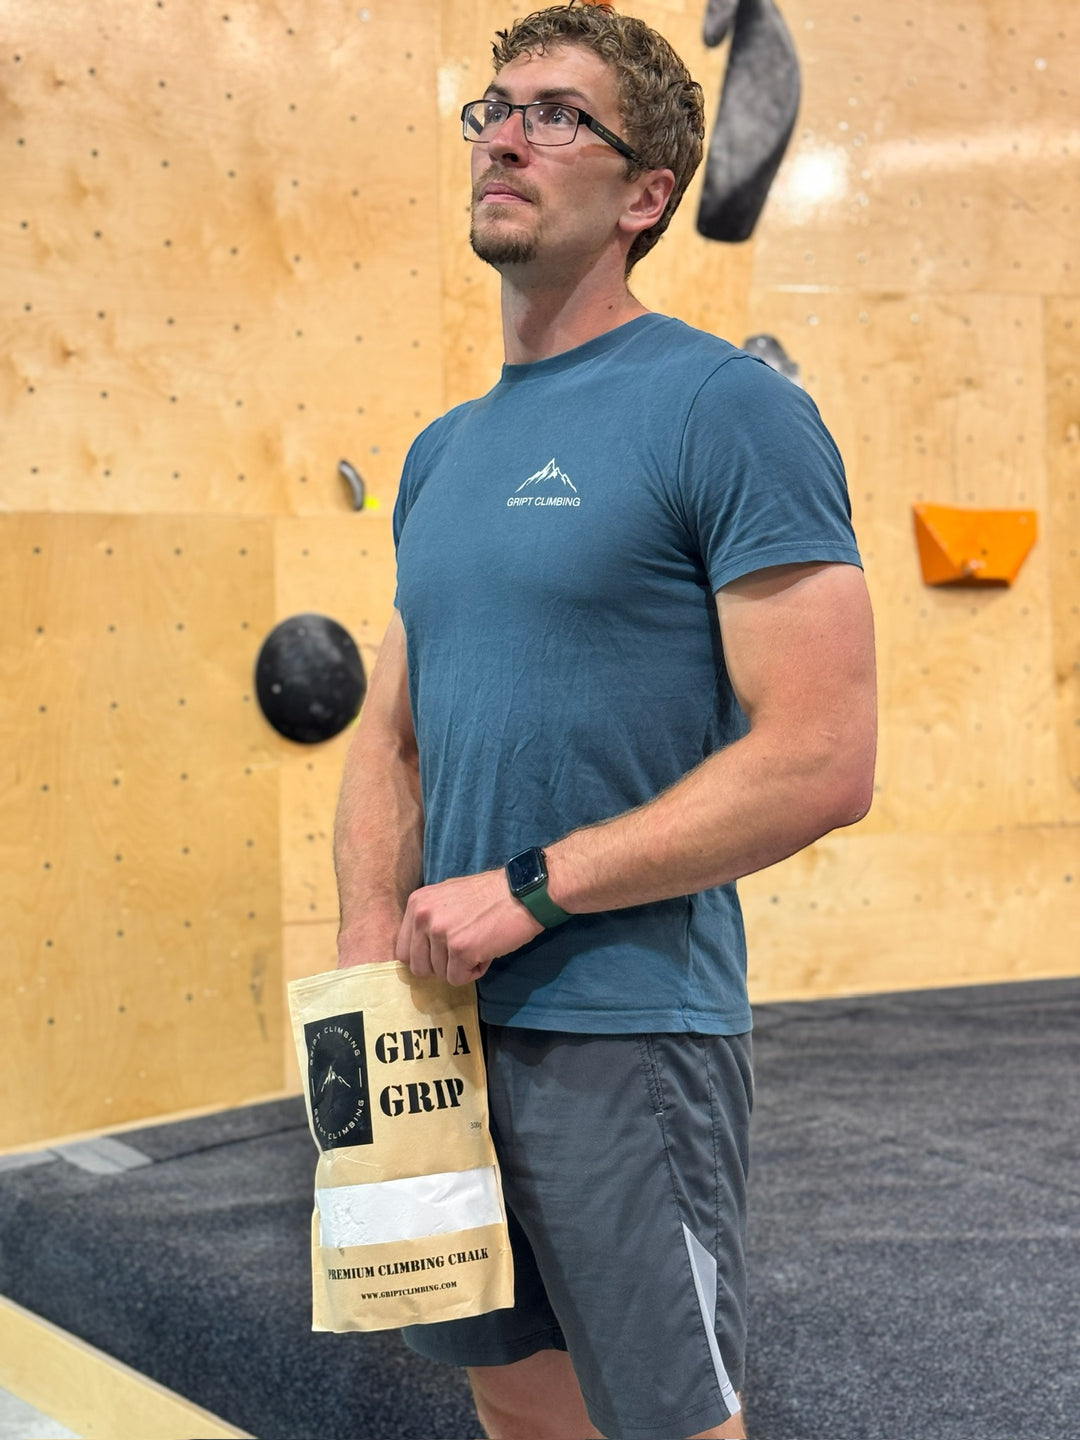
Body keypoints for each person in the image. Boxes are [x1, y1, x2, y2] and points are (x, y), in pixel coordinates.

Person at [333, 4, 877, 1437]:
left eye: (558, 114)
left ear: (648, 195)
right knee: (515, 1403)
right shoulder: (442, 453)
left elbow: (823, 758)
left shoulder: (726, 410)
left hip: (626, 1033)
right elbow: (390, 733)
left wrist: (530, 892)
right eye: (493, 107)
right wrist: (358, 981)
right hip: (434, 1028)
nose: (504, 134)